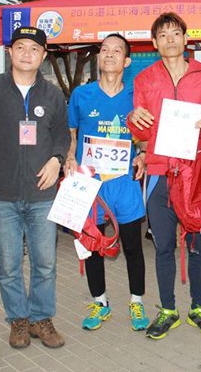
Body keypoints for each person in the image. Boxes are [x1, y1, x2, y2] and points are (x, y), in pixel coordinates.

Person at [127, 12, 201, 340]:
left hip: (197, 173)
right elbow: (140, 132)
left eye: (175, 33)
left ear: (186, 38)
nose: (170, 39)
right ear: (155, 43)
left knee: (199, 246)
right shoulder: (145, 79)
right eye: (163, 35)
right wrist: (134, 118)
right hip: (159, 172)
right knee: (164, 246)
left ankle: (199, 308)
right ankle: (168, 309)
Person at [0, 26, 69, 350]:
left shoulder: (52, 94)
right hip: (2, 196)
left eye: (34, 49)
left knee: (45, 264)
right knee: (9, 266)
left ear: (43, 55)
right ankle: (18, 320)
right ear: (10, 52)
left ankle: (41, 318)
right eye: (21, 47)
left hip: (43, 196)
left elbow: (62, 135)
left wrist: (57, 159)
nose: (27, 54)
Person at [66, 34, 149, 331]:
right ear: (99, 57)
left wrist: (143, 155)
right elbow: (71, 134)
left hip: (124, 184)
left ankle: (137, 302)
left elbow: (144, 138)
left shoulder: (136, 97)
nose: (110, 54)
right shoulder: (81, 95)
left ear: (127, 61)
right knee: (92, 246)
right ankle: (100, 302)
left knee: (133, 247)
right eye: (104, 50)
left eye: (117, 51)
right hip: (91, 185)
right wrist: (69, 156)